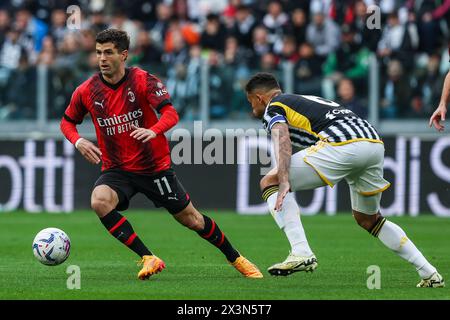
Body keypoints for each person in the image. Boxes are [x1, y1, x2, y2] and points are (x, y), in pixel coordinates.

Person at [60, 29, 262, 280]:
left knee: (192, 220)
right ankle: (148, 257)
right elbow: (67, 122)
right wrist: (78, 140)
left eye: (108, 52)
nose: (102, 58)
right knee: (99, 201)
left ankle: (237, 258)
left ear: (123, 55)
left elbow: (170, 114)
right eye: (99, 52)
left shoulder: (143, 80)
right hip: (116, 169)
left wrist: (153, 131)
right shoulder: (87, 90)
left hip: (153, 167)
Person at [245, 72, 444, 288]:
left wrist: (284, 179)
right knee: (369, 219)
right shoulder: (305, 100)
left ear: (259, 98)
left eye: (250, 103)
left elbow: (281, 136)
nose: (252, 109)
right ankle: (429, 273)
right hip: (373, 143)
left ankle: (301, 251)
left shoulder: (274, 106)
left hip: (342, 144)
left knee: (270, 182)